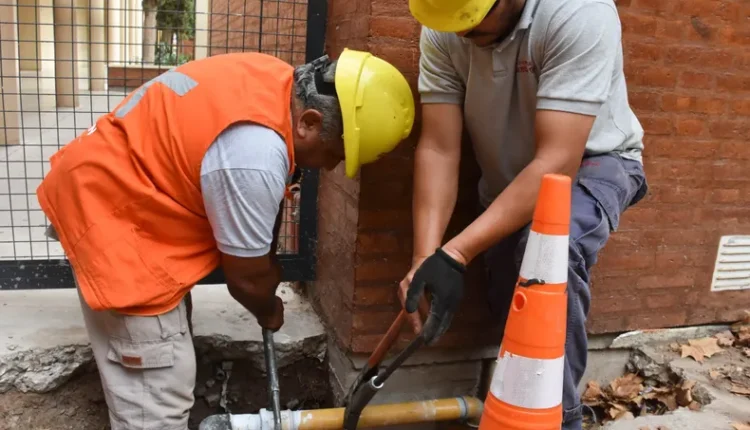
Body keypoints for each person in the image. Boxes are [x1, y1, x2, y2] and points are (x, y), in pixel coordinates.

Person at [36, 48, 415, 429]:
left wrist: (266, 264)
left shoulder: (274, 80)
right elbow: (245, 279)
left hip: (114, 185)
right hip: (114, 219)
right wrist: (268, 308)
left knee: (169, 344)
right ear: (309, 122)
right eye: (336, 153)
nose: (332, 167)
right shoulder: (254, 155)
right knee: (159, 389)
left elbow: (257, 245)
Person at [401, 0, 648, 429]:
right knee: (515, 304)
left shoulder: (577, 11)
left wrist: (455, 253)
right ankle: (517, 410)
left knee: (548, 254)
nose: (462, 34)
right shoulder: (445, 21)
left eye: (474, 22)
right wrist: (426, 257)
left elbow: (558, 161)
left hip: (595, 162)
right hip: (512, 178)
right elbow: (439, 148)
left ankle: (559, 421)